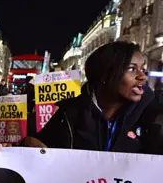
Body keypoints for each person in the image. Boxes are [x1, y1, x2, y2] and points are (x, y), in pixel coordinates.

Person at [23, 41, 163, 153]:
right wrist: (26, 146)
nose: (142, 76)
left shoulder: (155, 116)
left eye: (142, 69)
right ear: (105, 75)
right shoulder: (68, 113)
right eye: (132, 69)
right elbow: (40, 147)